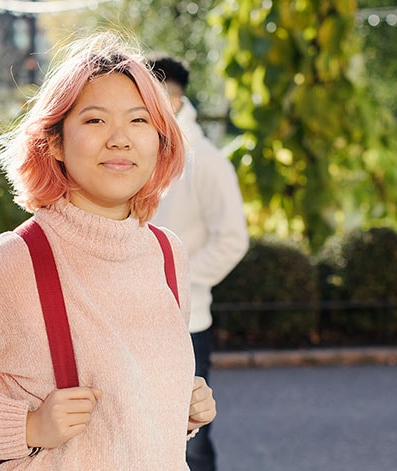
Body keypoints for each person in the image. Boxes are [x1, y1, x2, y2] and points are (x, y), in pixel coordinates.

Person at [0, 31, 216, 469]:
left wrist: (180, 409)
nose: (120, 139)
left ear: (161, 141)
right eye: (95, 120)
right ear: (55, 141)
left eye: (139, 121)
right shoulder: (11, 263)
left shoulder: (166, 254)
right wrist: (27, 427)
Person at [148, 55, 249, 471]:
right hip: (127, 319)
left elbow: (232, 240)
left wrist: (176, 284)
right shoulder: (140, 150)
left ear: (171, 100)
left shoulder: (205, 159)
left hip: (185, 322)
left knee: (192, 445)